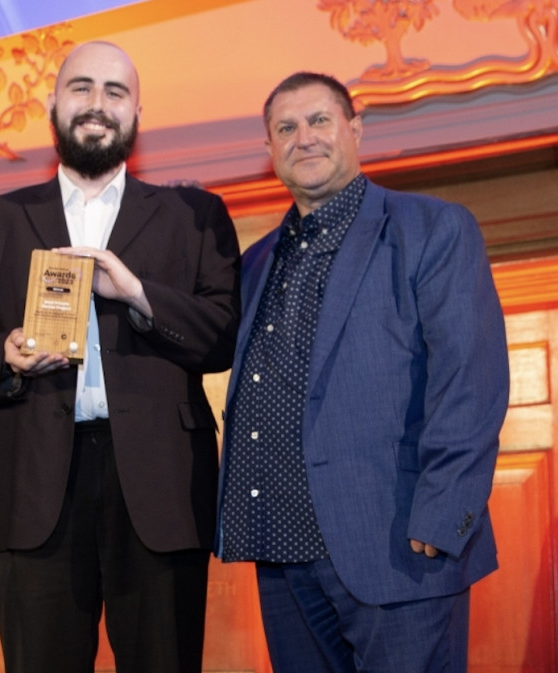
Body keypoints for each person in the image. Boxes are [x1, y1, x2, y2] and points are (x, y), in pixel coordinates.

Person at [0, 41, 241, 673]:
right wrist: (5, 356)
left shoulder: (195, 217)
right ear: (52, 104)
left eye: (114, 92)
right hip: (33, 487)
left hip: (161, 487)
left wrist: (136, 293)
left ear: (138, 111)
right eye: (81, 88)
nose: (96, 105)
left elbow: (220, 338)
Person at [215, 71, 509, 673]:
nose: (305, 138)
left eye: (320, 120)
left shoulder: (432, 228)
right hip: (283, 554)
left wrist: (446, 512)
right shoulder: (256, 262)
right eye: (286, 128)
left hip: (401, 546)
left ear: (355, 129)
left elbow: (471, 379)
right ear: (269, 151)